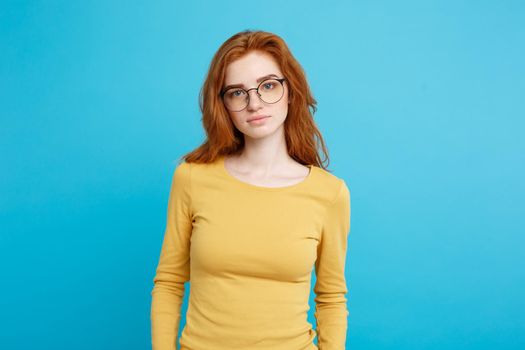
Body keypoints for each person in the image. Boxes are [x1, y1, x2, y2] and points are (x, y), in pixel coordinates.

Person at [150, 29, 351, 350]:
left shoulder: (329, 194)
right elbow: (169, 282)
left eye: (268, 85)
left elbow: (331, 298)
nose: (254, 103)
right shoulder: (191, 178)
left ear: (290, 91)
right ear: (223, 103)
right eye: (237, 92)